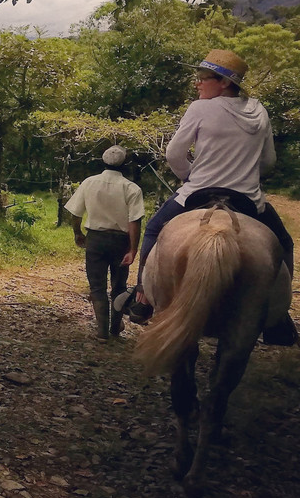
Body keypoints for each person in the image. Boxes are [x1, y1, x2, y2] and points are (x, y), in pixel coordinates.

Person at [132, 49, 295, 343]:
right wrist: (243, 173)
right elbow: (268, 161)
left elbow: (174, 154)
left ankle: (142, 297)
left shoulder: (200, 109)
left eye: (202, 78)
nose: (197, 84)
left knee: (155, 229)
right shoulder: (258, 110)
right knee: (284, 243)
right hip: (248, 198)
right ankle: (277, 316)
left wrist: (189, 176)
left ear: (223, 83)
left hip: (198, 192)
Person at [65, 145, 144, 340]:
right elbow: (135, 221)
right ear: (125, 165)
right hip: (120, 241)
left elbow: (75, 213)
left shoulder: (89, 182)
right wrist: (133, 249)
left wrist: (78, 233)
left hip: (96, 239)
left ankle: (101, 332)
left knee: (97, 286)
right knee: (119, 286)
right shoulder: (131, 188)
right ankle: (115, 328)